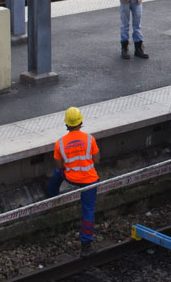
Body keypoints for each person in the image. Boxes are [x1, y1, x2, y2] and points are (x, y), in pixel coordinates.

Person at [47, 107, 100, 255]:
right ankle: (86, 245)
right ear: (80, 122)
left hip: (71, 177)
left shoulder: (60, 143)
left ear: (67, 124)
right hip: (89, 180)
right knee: (88, 210)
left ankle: (51, 195)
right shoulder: (90, 139)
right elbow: (96, 160)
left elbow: (59, 165)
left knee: (58, 173)